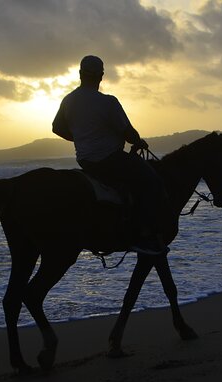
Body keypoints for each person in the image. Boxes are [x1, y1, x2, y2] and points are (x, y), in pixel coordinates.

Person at [52, 55, 166, 255]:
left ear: (80, 74)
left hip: (85, 160)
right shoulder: (108, 102)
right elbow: (129, 134)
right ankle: (144, 236)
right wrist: (139, 141)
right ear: (101, 76)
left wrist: (80, 138)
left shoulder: (68, 100)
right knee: (152, 181)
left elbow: (57, 128)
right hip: (110, 159)